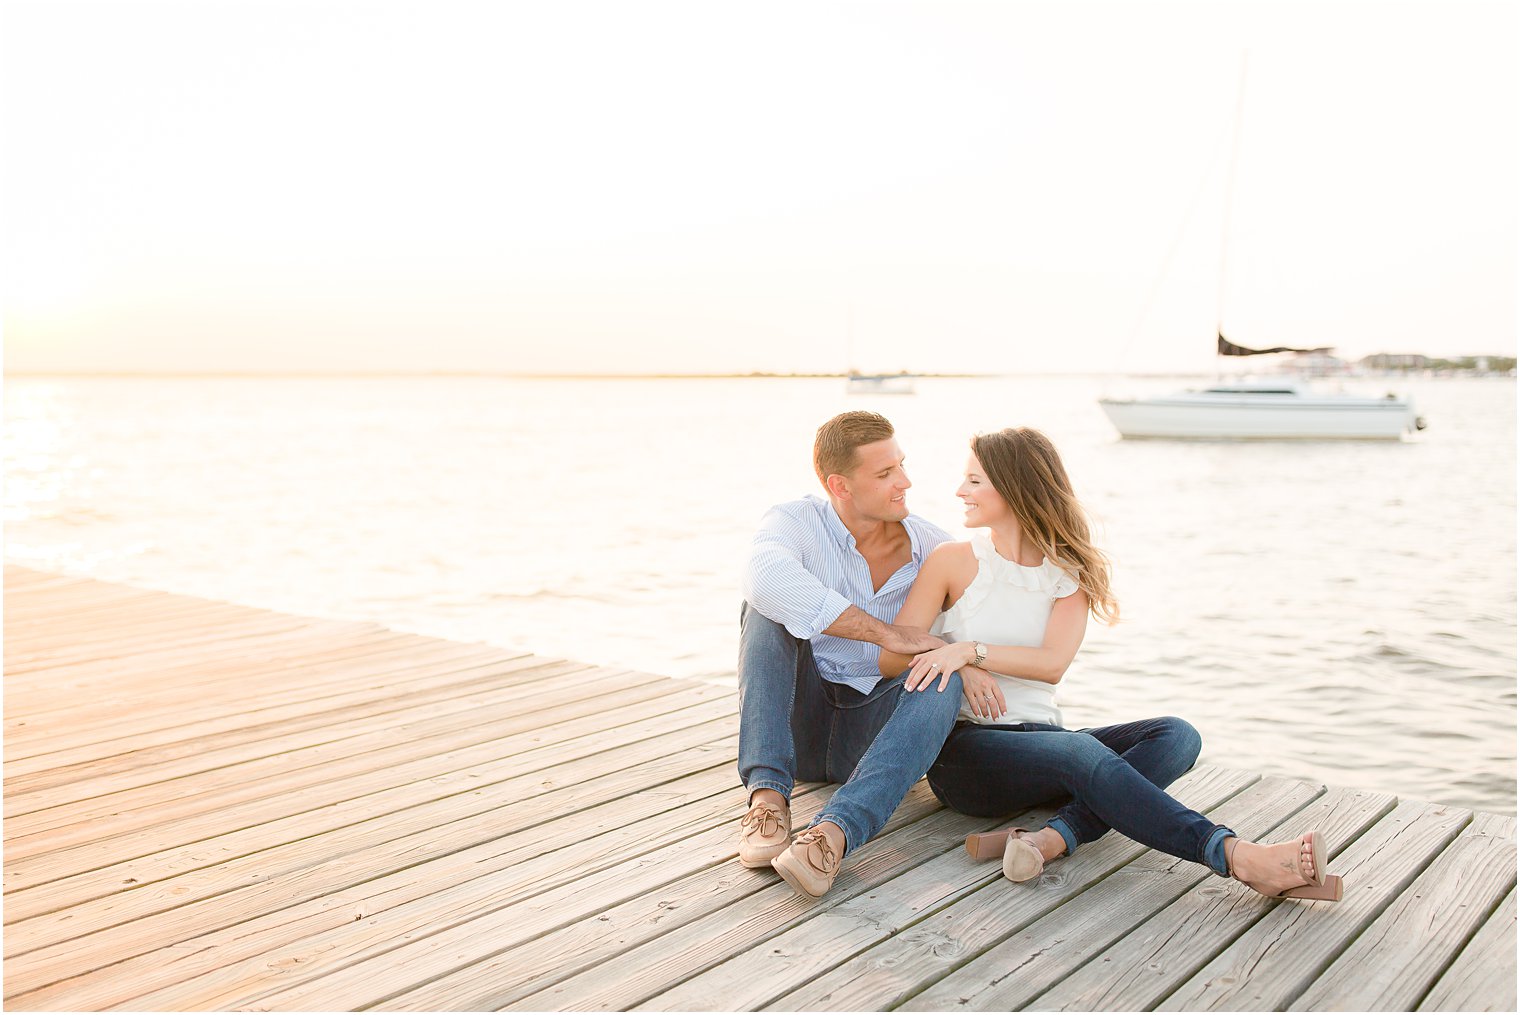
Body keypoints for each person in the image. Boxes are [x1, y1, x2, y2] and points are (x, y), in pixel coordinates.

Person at [880, 427, 1343, 902]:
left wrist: (970, 649)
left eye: (975, 481)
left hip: (1045, 744)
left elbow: (1051, 664)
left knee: (1178, 734)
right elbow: (891, 656)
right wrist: (959, 663)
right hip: (968, 756)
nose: (960, 491)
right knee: (1081, 755)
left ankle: (1054, 837)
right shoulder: (950, 561)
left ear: (1014, 485)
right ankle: (1237, 857)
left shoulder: (1067, 573)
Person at [738, 410, 963, 899]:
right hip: (800, 720)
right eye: (885, 474)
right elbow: (766, 578)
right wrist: (885, 634)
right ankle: (768, 801)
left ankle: (831, 835)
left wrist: (970, 660)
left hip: (873, 736)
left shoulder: (935, 549)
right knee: (763, 608)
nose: (905, 482)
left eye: (901, 465)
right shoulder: (794, 521)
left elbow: (977, 632)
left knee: (948, 674)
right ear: (839, 485)